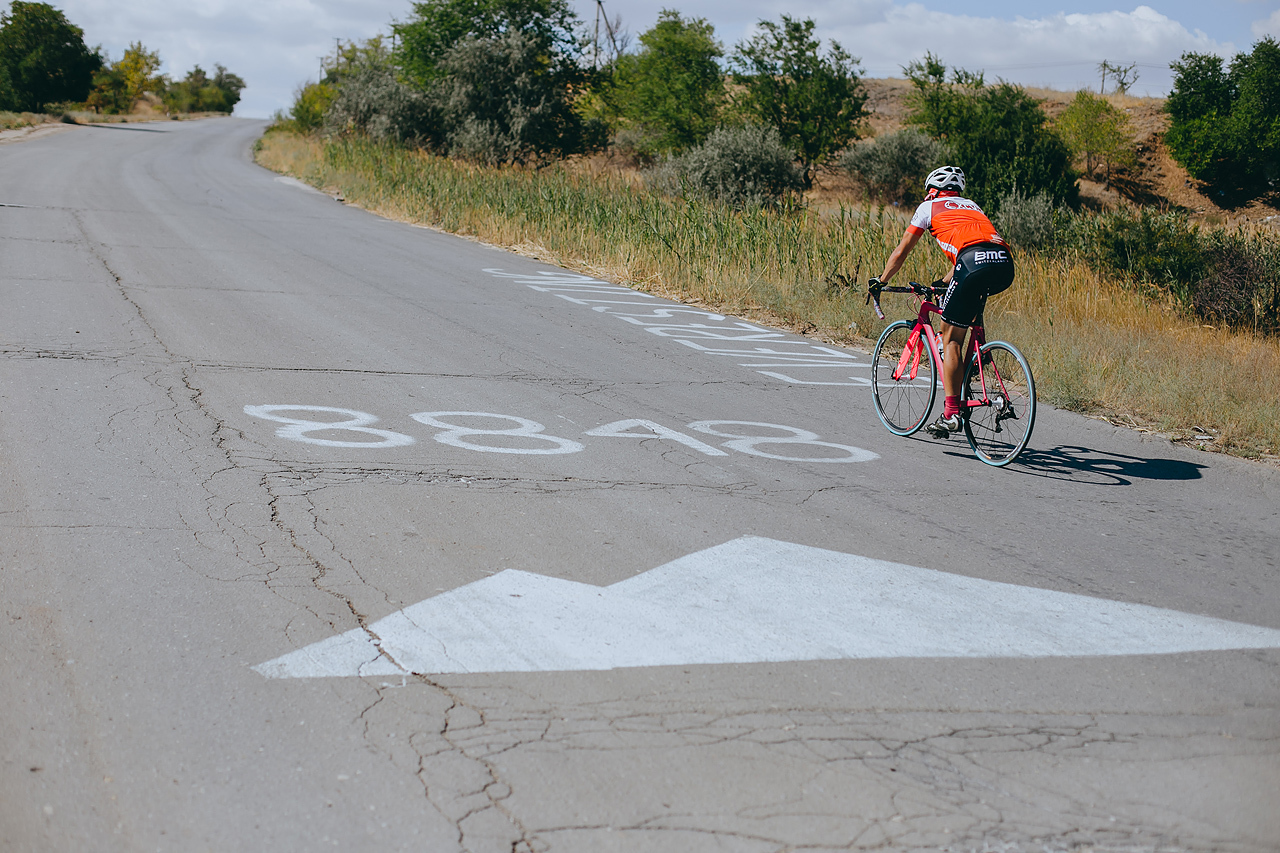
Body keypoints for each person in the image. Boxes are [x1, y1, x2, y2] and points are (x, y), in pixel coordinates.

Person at [870, 166, 1014, 437]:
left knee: (951, 340)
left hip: (972, 264)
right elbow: (971, 248)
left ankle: (951, 414)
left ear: (933, 190)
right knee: (966, 318)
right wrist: (942, 283)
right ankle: (975, 362)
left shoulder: (929, 207)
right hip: (1003, 263)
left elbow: (902, 251)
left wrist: (882, 279)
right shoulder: (973, 206)